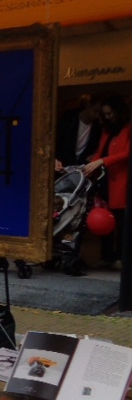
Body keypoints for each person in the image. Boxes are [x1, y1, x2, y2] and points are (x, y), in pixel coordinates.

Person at [84, 95, 129, 269]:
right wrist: (89, 166)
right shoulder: (107, 131)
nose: (107, 117)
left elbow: (126, 154)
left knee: (121, 223)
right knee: (105, 219)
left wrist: (102, 161)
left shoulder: (127, 129)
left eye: (110, 113)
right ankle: (107, 255)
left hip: (121, 182)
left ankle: (120, 257)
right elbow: (100, 152)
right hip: (107, 182)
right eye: (105, 114)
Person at [55, 95, 102, 171]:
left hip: (82, 168)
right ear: (88, 105)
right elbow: (56, 140)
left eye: (99, 113)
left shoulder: (98, 126)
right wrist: (55, 159)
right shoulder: (69, 118)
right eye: (95, 111)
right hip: (62, 166)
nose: (96, 116)